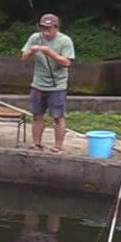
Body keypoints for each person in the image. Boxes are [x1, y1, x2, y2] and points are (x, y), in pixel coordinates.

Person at [19, 13, 75, 152]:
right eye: (43, 28)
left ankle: (58, 146)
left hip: (58, 86)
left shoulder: (65, 41)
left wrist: (50, 53)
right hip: (38, 84)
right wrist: (31, 52)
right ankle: (36, 143)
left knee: (58, 117)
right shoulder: (35, 37)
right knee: (37, 115)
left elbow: (67, 62)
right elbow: (23, 58)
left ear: (56, 27)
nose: (45, 32)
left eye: (49, 28)